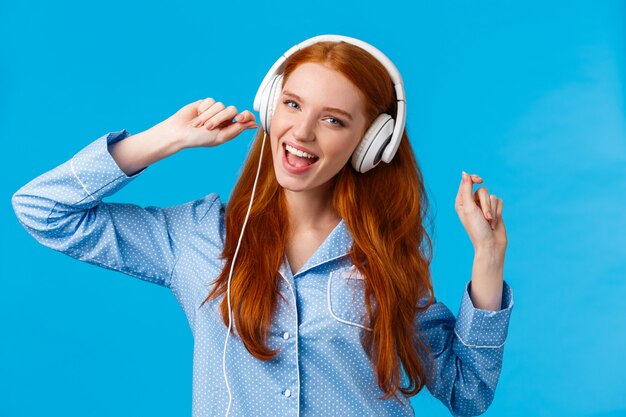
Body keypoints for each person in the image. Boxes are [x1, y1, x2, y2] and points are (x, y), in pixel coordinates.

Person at [12, 34, 514, 417]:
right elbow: (42, 209)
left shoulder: (384, 259)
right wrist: (162, 139)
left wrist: (488, 260)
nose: (301, 131)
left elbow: (467, 392)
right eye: (293, 105)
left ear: (370, 145)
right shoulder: (199, 236)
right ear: (272, 106)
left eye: (334, 120)